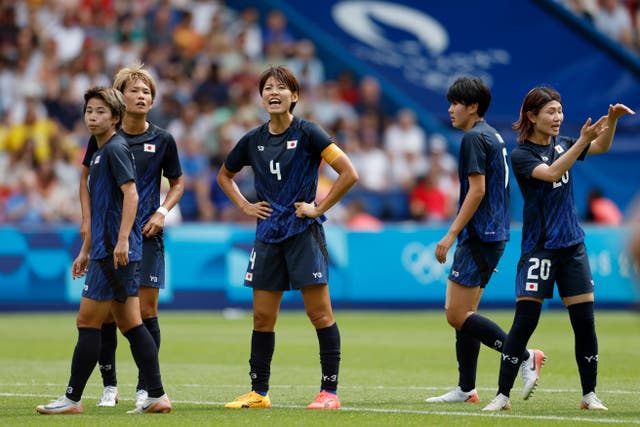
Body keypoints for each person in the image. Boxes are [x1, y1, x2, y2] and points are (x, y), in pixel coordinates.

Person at [482, 86, 634, 411]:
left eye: (560, 111)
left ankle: (589, 394)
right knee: (525, 320)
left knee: (584, 322)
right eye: (551, 112)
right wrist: (580, 141)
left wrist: (614, 120)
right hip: (540, 249)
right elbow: (552, 172)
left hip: (572, 247)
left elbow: (602, 145)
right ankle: (502, 395)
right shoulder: (522, 154)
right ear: (532, 116)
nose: (558, 117)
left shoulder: (564, 145)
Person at [217, 65, 358, 410]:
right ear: (261, 95)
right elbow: (224, 175)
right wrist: (246, 206)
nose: (274, 92)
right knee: (263, 318)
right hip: (267, 234)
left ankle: (329, 393)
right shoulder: (253, 139)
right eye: (268, 87)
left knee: (320, 314)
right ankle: (259, 392)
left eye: (282, 87)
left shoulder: (309, 133)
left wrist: (317, 207)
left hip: (302, 232)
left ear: (295, 95)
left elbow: (348, 173)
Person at [36, 86, 171, 415]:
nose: (92, 117)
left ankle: (72, 398)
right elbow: (99, 205)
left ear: (115, 117)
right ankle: (156, 395)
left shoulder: (113, 149)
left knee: (88, 321)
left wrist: (123, 239)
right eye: (89, 111)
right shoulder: (98, 150)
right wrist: (85, 249)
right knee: (131, 324)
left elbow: (132, 195)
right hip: (105, 250)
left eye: (100, 112)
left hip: (114, 252)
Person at [426, 77, 544, 404]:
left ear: (473, 106)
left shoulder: (473, 139)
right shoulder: (491, 134)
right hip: (494, 234)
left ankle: (521, 355)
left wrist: (450, 234)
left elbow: (477, 190)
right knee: (468, 313)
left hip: (480, 236)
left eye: (456, 103)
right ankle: (467, 388)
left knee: (455, 313)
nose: (450, 109)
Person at [79, 63, 184, 408]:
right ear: (119, 97)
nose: (141, 96)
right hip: (110, 236)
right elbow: (85, 180)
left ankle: (146, 388)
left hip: (146, 236)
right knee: (108, 313)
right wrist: (88, 224)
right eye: (134, 90)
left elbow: (178, 182)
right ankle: (109, 386)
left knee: (146, 312)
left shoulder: (163, 139)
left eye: (147, 92)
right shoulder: (106, 137)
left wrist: (162, 212)